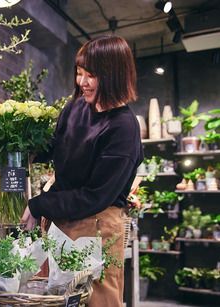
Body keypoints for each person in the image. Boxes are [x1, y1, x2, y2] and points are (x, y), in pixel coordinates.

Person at [21, 35, 143, 307]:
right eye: (79, 73)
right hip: (64, 218)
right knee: (56, 298)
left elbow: (95, 196)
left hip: (96, 224)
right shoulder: (76, 107)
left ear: (113, 76)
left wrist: (40, 204)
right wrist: (19, 145)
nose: (82, 83)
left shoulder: (123, 128)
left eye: (91, 76)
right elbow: (54, 147)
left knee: (96, 298)